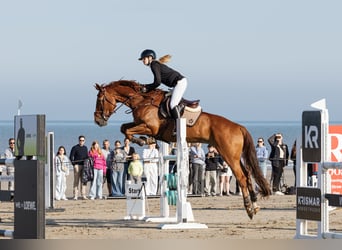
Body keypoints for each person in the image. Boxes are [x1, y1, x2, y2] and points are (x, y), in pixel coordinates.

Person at [139, 49, 187, 124]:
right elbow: (157, 82)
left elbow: (157, 82)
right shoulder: (155, 64)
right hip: (177, 84)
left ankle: (179, 126)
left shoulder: (154, 64)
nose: (143, 61)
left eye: (144, 58)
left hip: (180, 83)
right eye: (142, 59)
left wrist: (147, 87)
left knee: (173, 104)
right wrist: (147, 87)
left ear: (150, 58)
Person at [69, 135, 89, 200]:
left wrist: (87, 162)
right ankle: (75, 195)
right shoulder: (75, 147)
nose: (81, 141)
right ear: (78, 140)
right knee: (76, 181)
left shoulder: (85, 148)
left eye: (83, 140)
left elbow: (86, 156)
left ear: (84, 141)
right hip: (77, 165)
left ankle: (83, 195)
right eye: (80, 140)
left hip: (84, 166)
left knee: (83, 181)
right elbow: (71, 157)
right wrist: (74, 164)